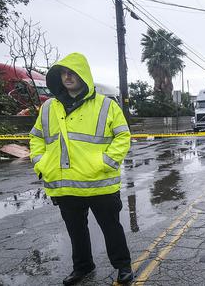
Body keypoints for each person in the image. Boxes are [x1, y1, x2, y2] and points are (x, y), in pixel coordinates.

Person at [29, 52, 133, 285]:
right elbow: (36, 137)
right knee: (76, 231)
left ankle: (123, 266)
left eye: (72, 72)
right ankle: (82, 267)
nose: (67, 77)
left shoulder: (107, 106)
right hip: (65, 184)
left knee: (111, 229)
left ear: (84, 75)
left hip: (99, 182)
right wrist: (40, 162)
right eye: (63, 73)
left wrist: (106, 162)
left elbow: (123, 136)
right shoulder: (48, 108)